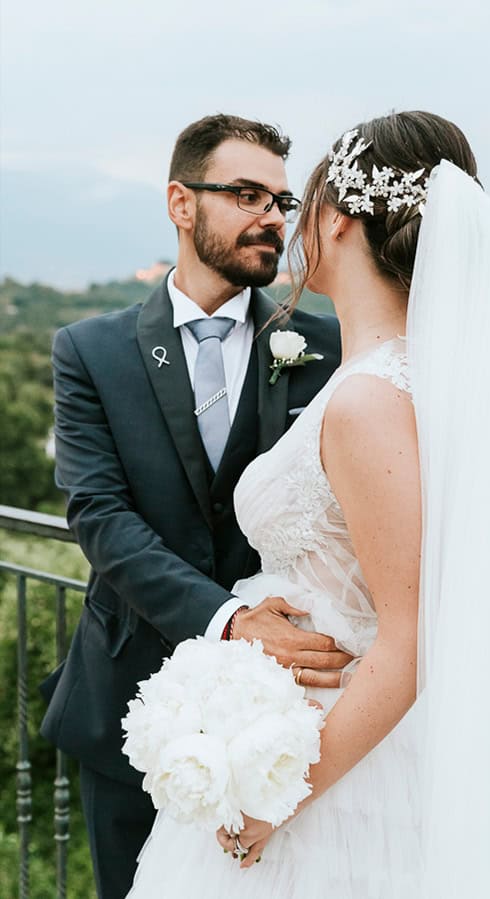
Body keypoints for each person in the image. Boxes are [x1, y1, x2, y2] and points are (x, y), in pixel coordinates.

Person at [126, 111, 490, 898]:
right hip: (308, 742)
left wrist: (277, 798)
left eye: (305, 202)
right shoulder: (383, 379)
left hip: (334, 783)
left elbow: (409, 638)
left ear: (340, 220)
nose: (288, 223)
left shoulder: (368, 401)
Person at [40, 113, 346, 899]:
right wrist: (229, 619)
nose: (272, 216)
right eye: (246, 194)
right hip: (129, 705)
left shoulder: (327, 349)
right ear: (181, 203)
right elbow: (99, 515)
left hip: (281, 725)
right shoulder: (90, 351)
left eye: (280, 200)